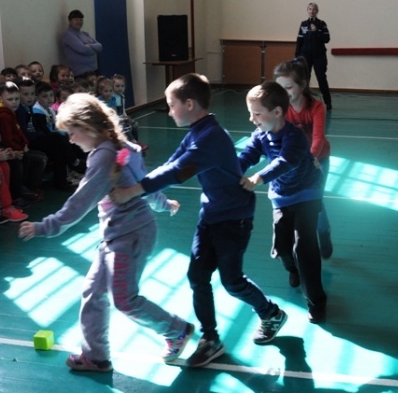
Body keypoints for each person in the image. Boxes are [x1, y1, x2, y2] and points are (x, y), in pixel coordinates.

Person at [110, 74, 288, 368]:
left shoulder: (209, 138)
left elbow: (176, 172)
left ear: (190, 104)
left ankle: (271, 313)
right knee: (197, 276)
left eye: (172, 105)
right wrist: (139, 177)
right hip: (211, 214)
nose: (169, 112)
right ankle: (210, 339)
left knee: (232, 282)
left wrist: (132, 191)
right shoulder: (197, 131)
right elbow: (170, 163)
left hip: (234, 218)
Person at [18, 94, 193, 372]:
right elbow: (142, 182)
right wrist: (163, 203)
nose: (70, 140)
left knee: (125, 299)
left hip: (128, 237)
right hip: (120, 234)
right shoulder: (121, 147)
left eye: (72, 132)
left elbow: (81, 200)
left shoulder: (104, 155)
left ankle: (176, 330)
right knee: (93, 292)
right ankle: (96, 356)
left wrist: (46, 226)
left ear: (87, 127)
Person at [239, 81, 327, 323]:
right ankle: (293, 268)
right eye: (250, 113)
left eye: (257, 114)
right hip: (282, 196)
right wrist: (231, 171)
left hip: (307, 192)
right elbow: (247, 155)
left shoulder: (294, 136)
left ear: (277, 112)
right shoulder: (260, 135)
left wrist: (257, 178)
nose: (252, 119)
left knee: (305, 247)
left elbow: (284, 162)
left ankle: (317, 300)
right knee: (283, 248)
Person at [274, 58, 334, 259]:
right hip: (295, 162)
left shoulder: (316, 107)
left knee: (316, 200)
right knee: (297, 202)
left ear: (302, 85)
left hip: (318, 160)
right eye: (280, 88)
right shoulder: (282, 109)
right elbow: (279, 137)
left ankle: (323, 232)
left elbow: (318, 138)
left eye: (289, 87)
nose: (284, 93)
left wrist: (311, 159)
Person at [294, 3, 332, 111]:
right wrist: (297, 55)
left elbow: (327, 39)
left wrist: (316, 32)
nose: (312, 11)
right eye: (310, 9)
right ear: (307, 10)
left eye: (314, 9)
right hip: (306, 55)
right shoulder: (303, 24)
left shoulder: (322, 24)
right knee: (305, 79)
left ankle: (328, 102)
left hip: (319, 55)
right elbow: (299, 40)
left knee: (321, 78)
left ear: (317, 11)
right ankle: (304, 103)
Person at [61, 10, 103, 78]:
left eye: (81, 19)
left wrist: (88, 45)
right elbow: (83, 49)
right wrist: (91, 46)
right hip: (80, 73)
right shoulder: (68, 35)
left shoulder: (85, 34)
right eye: (76, 19)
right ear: (70, 21)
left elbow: (100, 46)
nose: (79, 21)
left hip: (94, 70)